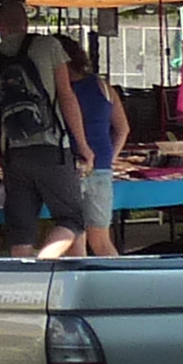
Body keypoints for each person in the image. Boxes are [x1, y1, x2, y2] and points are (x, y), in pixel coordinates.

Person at [0, 0, 82, 260]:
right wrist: (83, 145)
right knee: (72, 219)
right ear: (26, 23)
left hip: (14, 156)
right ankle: (43, 264)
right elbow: (67, 97)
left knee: (20, 230)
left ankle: (22, 282)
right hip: (52, 149)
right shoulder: (49, 46)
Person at [59, 37, 132, 257]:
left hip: (70, 165)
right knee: (101, 240)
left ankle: (80, 285)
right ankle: (119, 285)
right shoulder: (103, 86)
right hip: (101, 167)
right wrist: (109, 159)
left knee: (75, 237)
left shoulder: (61, 91)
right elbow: (123, 128)